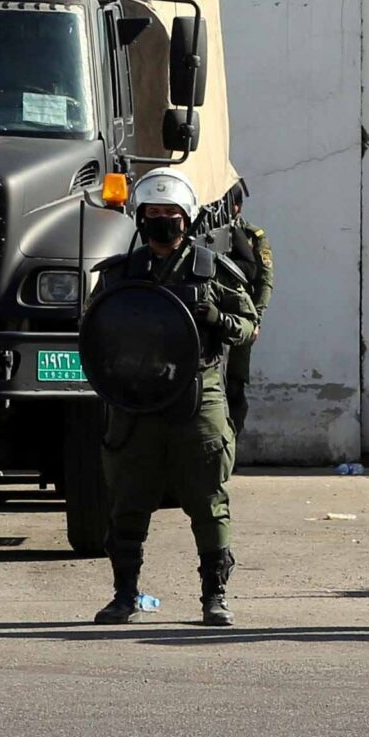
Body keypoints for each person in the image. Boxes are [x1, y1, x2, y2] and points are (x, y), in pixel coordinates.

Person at [91, 168, 257, 626]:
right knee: (127, 498)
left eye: (172, 214)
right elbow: (94, 332)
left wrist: (216, 318)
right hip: (135, 400)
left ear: (187, 219)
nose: (163, 222)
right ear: (141, 219)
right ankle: (125, 593)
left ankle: (215, 595)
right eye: (154, 214)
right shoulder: (120, 274)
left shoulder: (213, 271)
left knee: (208, 498)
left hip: (196, 396)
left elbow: (248, 328)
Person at [217, 182, 273, 439]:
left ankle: (232, 439)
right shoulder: (204, 230)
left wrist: (256, 319)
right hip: (209, 315)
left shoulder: (252, 236)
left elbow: (264, 281)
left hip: (240, 319)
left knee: (235, 385)